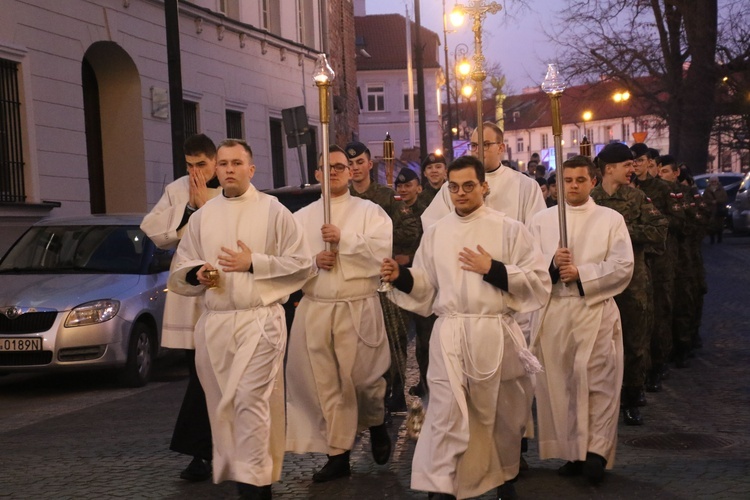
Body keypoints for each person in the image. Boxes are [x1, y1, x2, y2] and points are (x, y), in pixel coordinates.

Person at [380, 155, 551, 500]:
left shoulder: (509, 229)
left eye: (468, 186)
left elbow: (537, 282)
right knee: (445, 412)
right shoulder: (437, 232)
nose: (460, 193)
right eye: (453, 187)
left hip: (492, 332)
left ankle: (503, 477)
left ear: (484, 187)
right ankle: (440, 485)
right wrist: (402, 278)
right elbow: (427, 287)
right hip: (451, 332)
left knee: (496, 415)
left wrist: (494, 269)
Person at [167, 139, 312, 500]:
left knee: (252, 401)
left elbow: (302, 265)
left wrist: (254, 263)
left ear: (251, 169)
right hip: (216, 323)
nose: (229, 169)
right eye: (224, 163)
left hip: (259, 320)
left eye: (237, 163)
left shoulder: (274, 211)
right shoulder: (203, 217)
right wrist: (197, 274)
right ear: (216, 169)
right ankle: (249, 479)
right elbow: (180, 267)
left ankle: (255, 489)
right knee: (226, 406)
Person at [285, 145, 393, 482]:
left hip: (357, 305)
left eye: (339, 166)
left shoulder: (370, 211)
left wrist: (343, 239)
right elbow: (286, 262)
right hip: (317, 307)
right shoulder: (300, 218)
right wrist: (313, 262)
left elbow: (381, 250)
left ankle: (375, 420)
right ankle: (338, 454)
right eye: (326, 167)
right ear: (317, 174)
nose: (333, 171)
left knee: (362, 381)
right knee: (326, 385)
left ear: (351, 172)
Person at [529, 156, 634, 484]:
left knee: (598, 383)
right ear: (557, 184)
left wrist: (582, 273)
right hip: (555, 312)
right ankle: (572, 451)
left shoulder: (610, 219)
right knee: (561, 386)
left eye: (579, 180)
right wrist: (551, 266)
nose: (573, 186)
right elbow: (527, 269)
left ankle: (596, 451)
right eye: (567, 180)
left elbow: (622, 264)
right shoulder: (540, 221)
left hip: (594, 309)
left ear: (592, 182)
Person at [140, 133, 220, 482]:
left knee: (218, 375)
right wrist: (190, 206)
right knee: (199, 372)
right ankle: (203, 452)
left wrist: (205, 205)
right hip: (191, 291)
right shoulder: (177, 189)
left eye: (201, 164)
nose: (195, 172)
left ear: (215, 161)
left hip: (226, 288)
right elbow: (155, 232)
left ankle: (210, 449)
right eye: (189, 165)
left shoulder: (233, 187)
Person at [590, 143, 667, 426]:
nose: (632, 169)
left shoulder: (637, 197)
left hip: (633, 283)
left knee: (634, 343)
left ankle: (632, 399)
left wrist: (622, 230)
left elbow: (660, 229)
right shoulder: (591, 198)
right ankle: (604, 398)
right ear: (609, 169)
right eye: (626, 165)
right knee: (599, 345)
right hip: (599, 280)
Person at [346, 140, 421, 415]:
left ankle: (397, 393)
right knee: (360, 340)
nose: (354, 168)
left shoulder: (386, 197)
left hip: (384, 277)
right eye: (349, 164)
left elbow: (411, 228)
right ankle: (368, 393)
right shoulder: (343, 199)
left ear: (369, 164)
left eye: (359, 163)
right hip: (355, 279)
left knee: (394, 336)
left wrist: (383, 248)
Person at [630, 143, 685, 393]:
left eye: (640, 160)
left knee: (659, 314)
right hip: (635, 262)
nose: (637, 165)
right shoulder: (626, 190)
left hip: (660, 260)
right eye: (633, 161)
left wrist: (654, 219)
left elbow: (677, 221)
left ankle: (657, 365)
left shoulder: (662, 189)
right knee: (638, 318)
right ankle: (638, 371)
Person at [421, 122, 546, 229]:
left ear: (501, 148)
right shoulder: (453, 187)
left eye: (485, 144)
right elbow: (432, 225)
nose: (478, 150)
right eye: (474, 145)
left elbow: (537, 229)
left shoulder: (526, 186)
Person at [395, 166, 436, 397]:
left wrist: (409, 258)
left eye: (408, 185)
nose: (404, 190)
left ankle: (427, 381)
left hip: (421, 280)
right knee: (398, 337)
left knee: (424, 339)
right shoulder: (393, 210)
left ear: (418, 188)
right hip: (398, 280)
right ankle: (397, 389)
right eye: (400, 186)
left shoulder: (427, 212)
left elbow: (429, 245)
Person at [703, 176, 728, 244]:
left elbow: (725, 198)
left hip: (719, 209)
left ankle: (719, 238)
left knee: (720, 224)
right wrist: (710, 202)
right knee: (711, 225)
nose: (714, 183)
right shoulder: (707, 190)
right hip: (710, 210)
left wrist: (717, 201)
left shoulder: (721, 189)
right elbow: (704, 199)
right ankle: (712, 239)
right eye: (712, 181)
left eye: (715, 181)